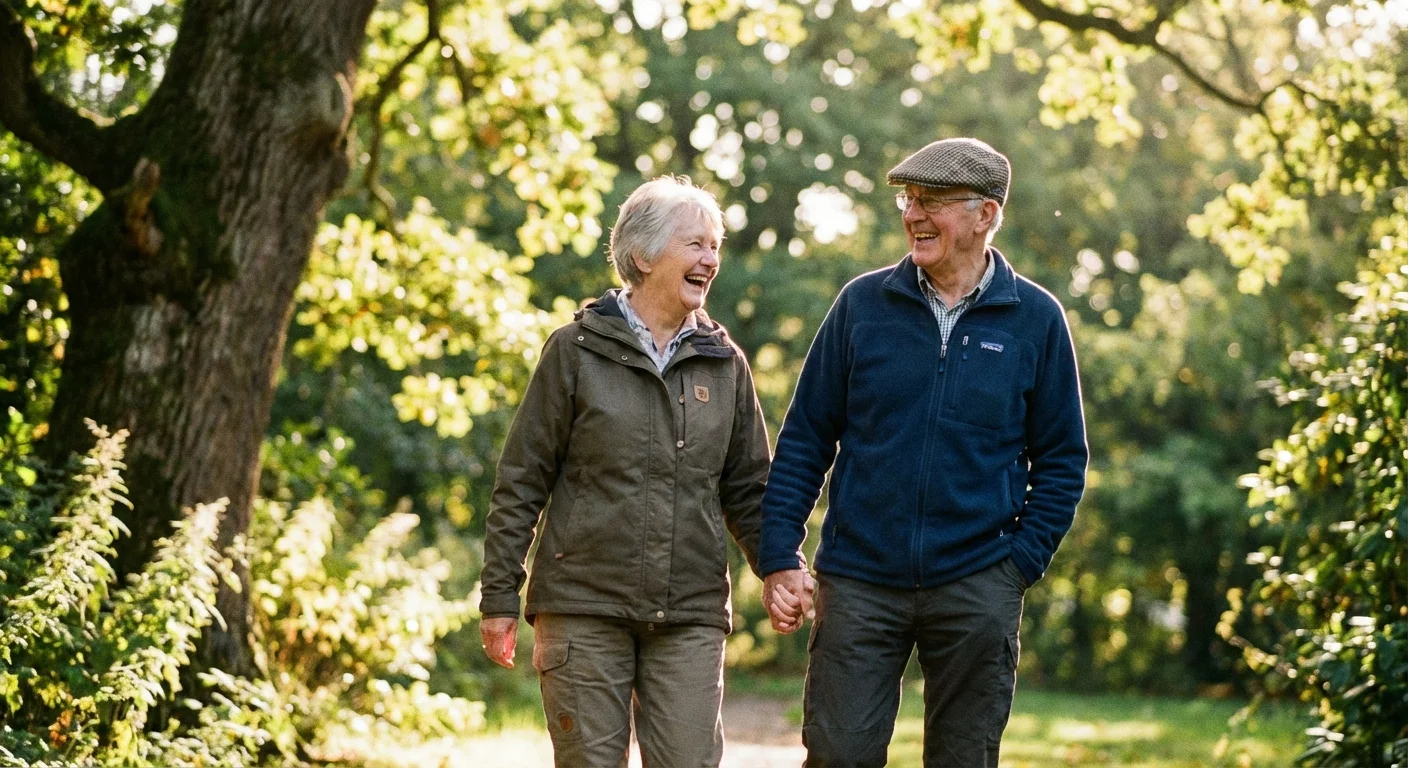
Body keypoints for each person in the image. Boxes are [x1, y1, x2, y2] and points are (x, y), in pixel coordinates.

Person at [758, 138, 1088, 767]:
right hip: (858, 579)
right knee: (837, 756)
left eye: (932, 201)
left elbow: (1063, 460)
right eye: (908, 199)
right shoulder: (862, 306)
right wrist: (779, 552)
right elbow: (805, 436)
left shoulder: (1035, 319)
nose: (913, 214)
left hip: (977, 581)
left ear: (985, 214)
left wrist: (1016, 566)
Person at [478, 175, 805, 768]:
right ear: (643, 256)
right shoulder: (574, 350)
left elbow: (750, 487)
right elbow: (522, 481)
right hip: (583, 605)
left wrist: (781, 566)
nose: (711, 259)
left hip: (689, 611)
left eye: (716, 246)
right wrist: (499, 595)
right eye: (695, 244)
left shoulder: (724, 362)